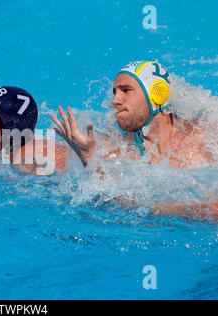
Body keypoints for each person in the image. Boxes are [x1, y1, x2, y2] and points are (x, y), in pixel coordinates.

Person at [51, 61, 217, 216]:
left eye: (126, 90)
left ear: (157, 94)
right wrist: (89, 159)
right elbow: (108, 204)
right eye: (115, 92)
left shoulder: (206, 133)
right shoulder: (119, 154)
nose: (116, 100)